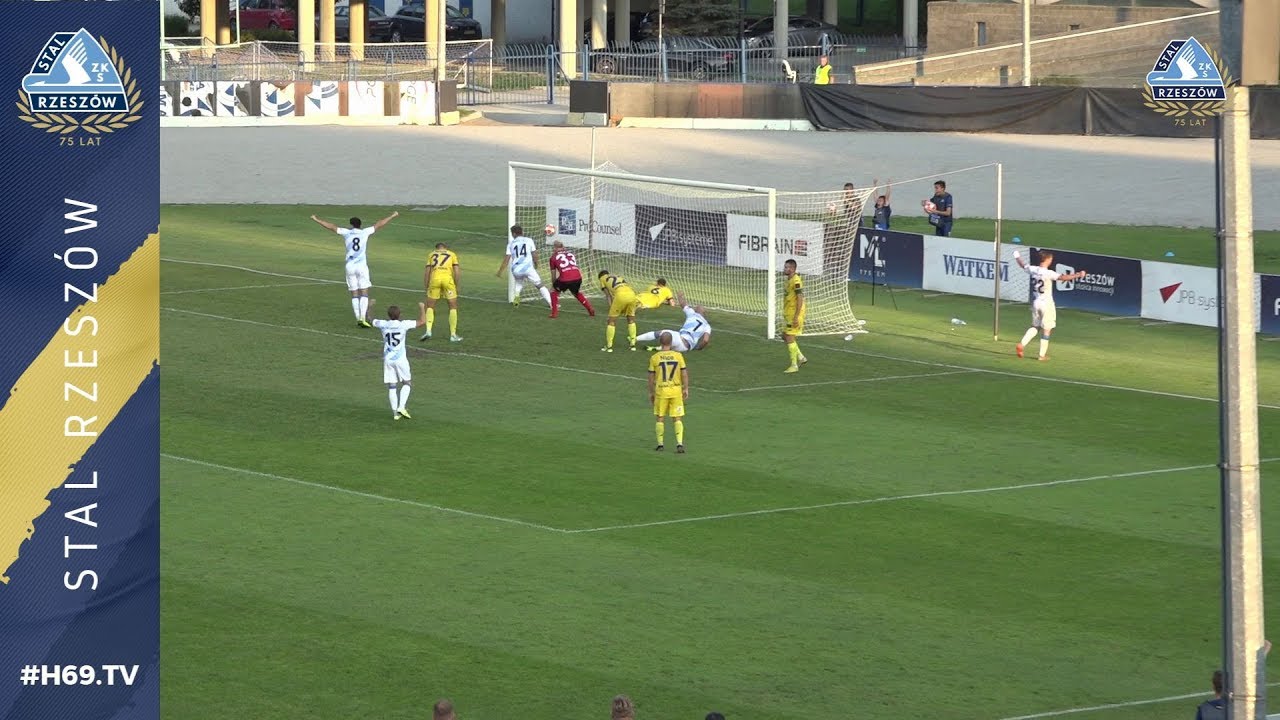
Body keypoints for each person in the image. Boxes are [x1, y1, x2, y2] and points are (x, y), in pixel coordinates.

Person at [309, 210, 399, 327]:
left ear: (351, 224)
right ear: (360, 225)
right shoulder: (365, 232)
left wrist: (316, 219)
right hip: (361, 266)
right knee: (364, 292)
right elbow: (379, 224)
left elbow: (331, 227)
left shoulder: (347, 233)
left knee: (354, 293)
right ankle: (362, 318)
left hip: (350, 266)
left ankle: (358, 318)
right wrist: (392, 216)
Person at [1013, 249, 1086, 361]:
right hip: (1046, 303)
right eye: (1051, 259)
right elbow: (1063, 278)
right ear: (1047, 260)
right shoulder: (1049, 273)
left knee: (1035, 326)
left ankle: (1022, 344)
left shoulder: (1033, 269)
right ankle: (1041, 355)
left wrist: (1017, 256)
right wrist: (1078, 274)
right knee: (1047, 329)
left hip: (1036, 302)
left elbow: (1022, 265)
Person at [370, 301, 426, 420]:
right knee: (407, 383)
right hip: (400, 359)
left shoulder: (383, 324)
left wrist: (370, 306)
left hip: (388, 359)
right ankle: (401, 407)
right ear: (399, 314)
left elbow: (370, 319)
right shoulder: (403, 325)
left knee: (392, 386)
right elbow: (422, 322)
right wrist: (422, 308)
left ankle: (395, 414)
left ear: (388, 315)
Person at [649, 332, 689, 453]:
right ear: (671, 343)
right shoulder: (678, 356)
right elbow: (684, 373)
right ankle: (679, 444)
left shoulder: (655, 357)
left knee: (660, 417)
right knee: (677, 418)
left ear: (660, 342)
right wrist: (685, 388)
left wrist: (651, 392)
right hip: (676, 391)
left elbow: (651, 377)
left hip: (661, 392)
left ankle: (660, 444)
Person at [497, 224, 552, 310]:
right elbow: (534, 254)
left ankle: (516, 297)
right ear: (522, 232)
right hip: (528, 268)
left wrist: (500, 272)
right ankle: (551, 303)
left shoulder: (511, 244)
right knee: (540, 285)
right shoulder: (529, 240)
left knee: (519, 282)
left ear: (513, 234)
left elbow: (506, 259)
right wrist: (536, 264)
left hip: (516, 269)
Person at [638, 291, 710, 352]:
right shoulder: (707, 326)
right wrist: (699, 348)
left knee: (664, 333)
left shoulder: (692, 313)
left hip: (681, 340)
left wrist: (680, 296)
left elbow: (683, 304)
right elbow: (705, 340)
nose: (696, 307)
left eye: (697, 307)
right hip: (686, 347)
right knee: (671, 340)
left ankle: (635, 339)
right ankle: (657, 348)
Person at [421, 241, 462, 342]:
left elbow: (427, 272)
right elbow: (457, 271)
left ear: (437, 248)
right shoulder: (452, 254)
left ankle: (428, 330)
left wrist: (426, 286)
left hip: (434, 280)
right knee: (453, 306)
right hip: (448, 281)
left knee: (430, 306)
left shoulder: (431, 255)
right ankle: (453, 335)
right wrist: (456, 285)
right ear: (445, 248)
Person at [548, 240, 595, 318]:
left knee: (553, 291)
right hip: (578, 277)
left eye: (553, 248)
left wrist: (554, 285)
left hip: (565, 278)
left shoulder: (553, 257)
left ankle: (554, 313)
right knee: (576, 292)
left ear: (555, 248)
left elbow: (553, 274)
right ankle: (590, 308)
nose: (553, 249)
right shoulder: (570, 254)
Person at [598, 269, 640, 352]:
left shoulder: (602, 279)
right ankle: (633, 345)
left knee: (611, 321)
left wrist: (611, 308)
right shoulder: (618, 276)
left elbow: (608, 296)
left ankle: (609, 346)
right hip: (632, 294)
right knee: (631, 319)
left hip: (620, 296)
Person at [782, 258, 808, 373]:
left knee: (789, 337)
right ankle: (801, 357)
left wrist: (796, 316)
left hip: (794, 313)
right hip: (788, 312)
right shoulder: (788, 279)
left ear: (792, 269)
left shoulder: (796, 281)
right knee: (784, 336)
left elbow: (800, 298)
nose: (784, 269)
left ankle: (794, 365)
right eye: (785, 267)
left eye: (787, 267)